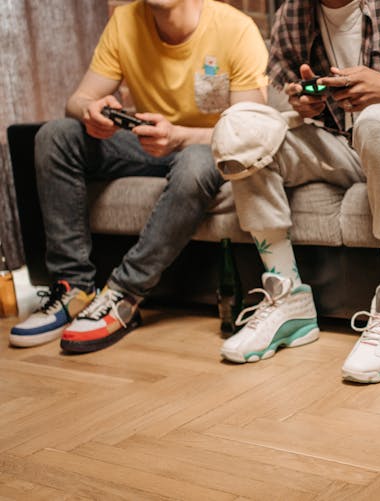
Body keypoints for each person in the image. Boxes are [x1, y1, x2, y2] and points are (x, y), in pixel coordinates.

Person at [215, 0, 380, 383]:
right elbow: (294, 93)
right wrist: (304, 102)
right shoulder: (293, 13)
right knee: (242, 126)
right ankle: (289, 298)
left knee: (376, 121)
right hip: (343, 143)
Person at [9, 0, 269, 352]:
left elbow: (249, 128)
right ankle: (74, 287)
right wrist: (90, 110)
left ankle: (123, 294)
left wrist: (178, 136)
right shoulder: (125, 21)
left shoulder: (235, 29)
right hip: (143, 143)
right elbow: (78, 99)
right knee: (55, 136)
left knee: (194, 163)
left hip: (207, 145)